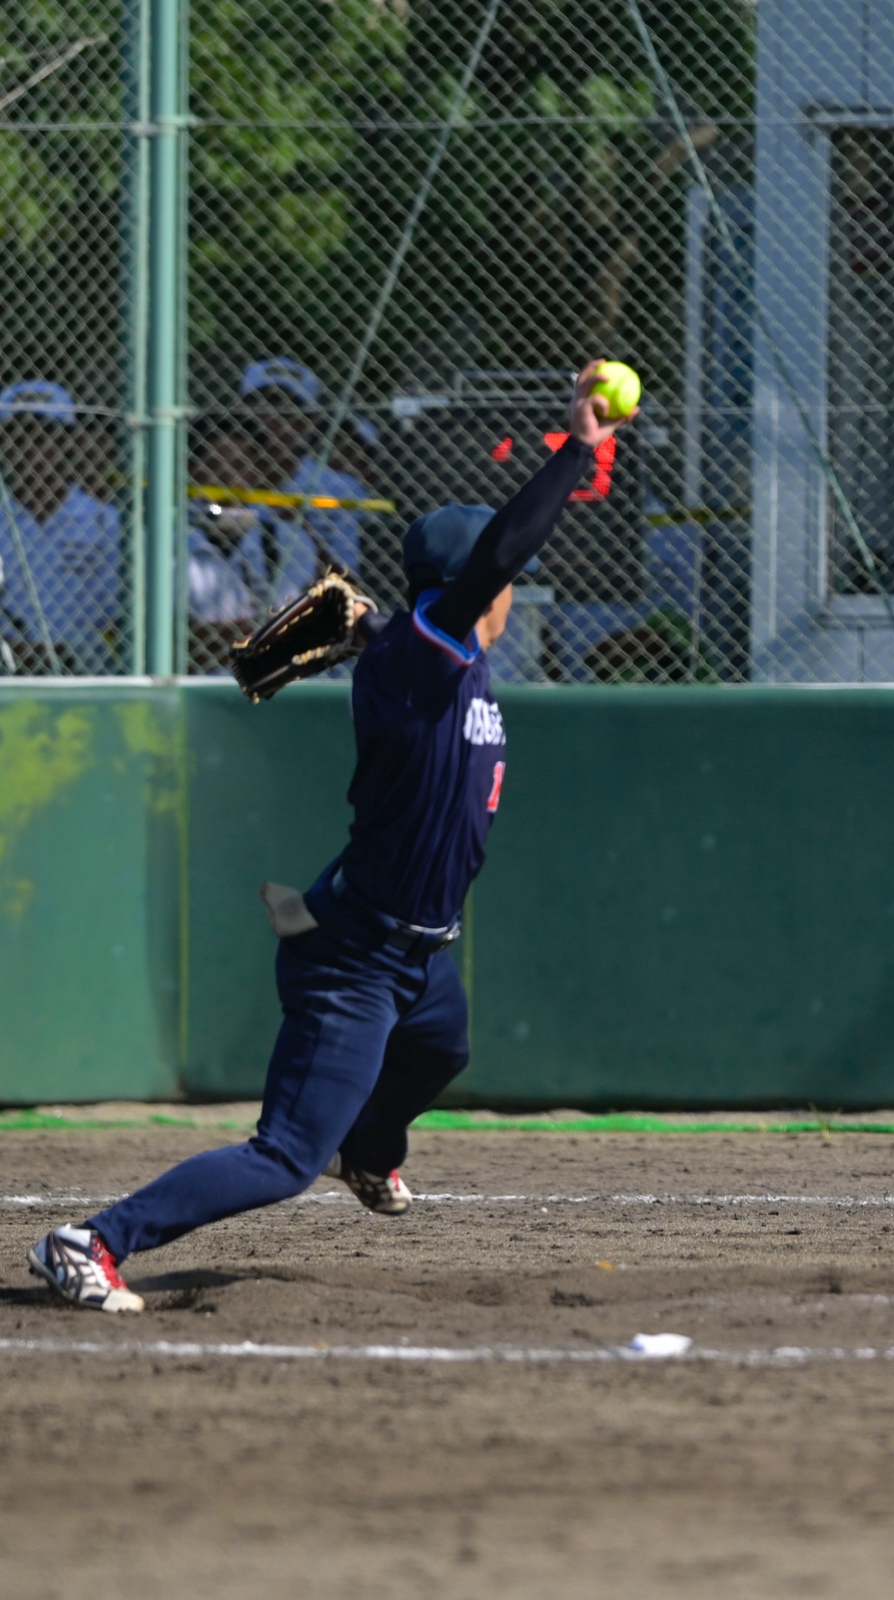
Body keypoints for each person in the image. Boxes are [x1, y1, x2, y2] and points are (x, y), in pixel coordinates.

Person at [26, 363, 631, 1314]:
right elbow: (496, 556)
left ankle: (368, 1150)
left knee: (441, 1050)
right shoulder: (429, 654)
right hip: (352, 959)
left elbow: (392, 624)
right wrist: (577, 451)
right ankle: (92, 1242)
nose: (514, 589)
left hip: (418, 957)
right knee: (281, 1157)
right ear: (466, 588)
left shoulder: (430, 653)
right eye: (501, 580)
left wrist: (366, 622)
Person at [0, 379, 123, 674]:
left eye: (43, 436)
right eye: (17, 437)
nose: (29, 449)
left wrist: (64, 651)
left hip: (87, 677)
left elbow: (117, 616)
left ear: (69, 442)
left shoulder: (105, 522)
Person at [241, 357, 370, 599]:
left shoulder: (339, 488)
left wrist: (301, 529)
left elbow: (352, 584)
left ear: (311, 421)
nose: (271, 419)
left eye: (288, 409)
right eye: (261, 406)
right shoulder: (218, 480)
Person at [186, 415, 282, 672]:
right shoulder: (171, 539)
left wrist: (210, 637)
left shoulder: (284, 538)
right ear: (194, 470)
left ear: (257, 471)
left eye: (239, 464)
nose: (227, 476)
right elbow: (176, 640)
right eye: (214, 464)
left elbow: (293, 631)